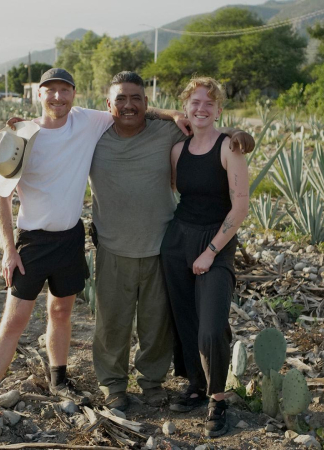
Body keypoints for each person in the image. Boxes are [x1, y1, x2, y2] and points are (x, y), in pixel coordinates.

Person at [0, 68, 188, 443]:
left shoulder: (88, 120)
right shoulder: (21, 135)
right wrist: (8, 250)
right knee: (14, 321)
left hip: (70, 238)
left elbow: (134, 109)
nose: (57, 98)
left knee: (62, 311)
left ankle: (59, 378)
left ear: (73, 95)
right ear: (38, 95)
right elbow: (1, 195)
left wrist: (175, 115)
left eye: (64, 91)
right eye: (50, 92)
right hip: (32, 241)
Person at [89, 72, 254, 412]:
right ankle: (120, 387)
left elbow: (206, 131)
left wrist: (239, 134)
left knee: (159, 326)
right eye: (120, 99)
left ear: (148, 104)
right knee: (118, 323)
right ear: (108, 105)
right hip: (131, 244)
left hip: (168, 243)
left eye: (137, 98)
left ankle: (160, 385)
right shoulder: (95, 134)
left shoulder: (170, 133)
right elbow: (57, 121)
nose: (129, 105)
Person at [160, 77, 250, 437]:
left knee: (212, 325)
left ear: (219, 110)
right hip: (178, 239)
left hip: (217, 239)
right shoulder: (177, 151)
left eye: (208, 104)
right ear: (185, 107)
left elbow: (241, 206)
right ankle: (195, 386)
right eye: (195, 102)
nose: (201, 108)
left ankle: (217, 397)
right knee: (185, 318)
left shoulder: (231, 147)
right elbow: (175, 190)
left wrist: (211, 251)